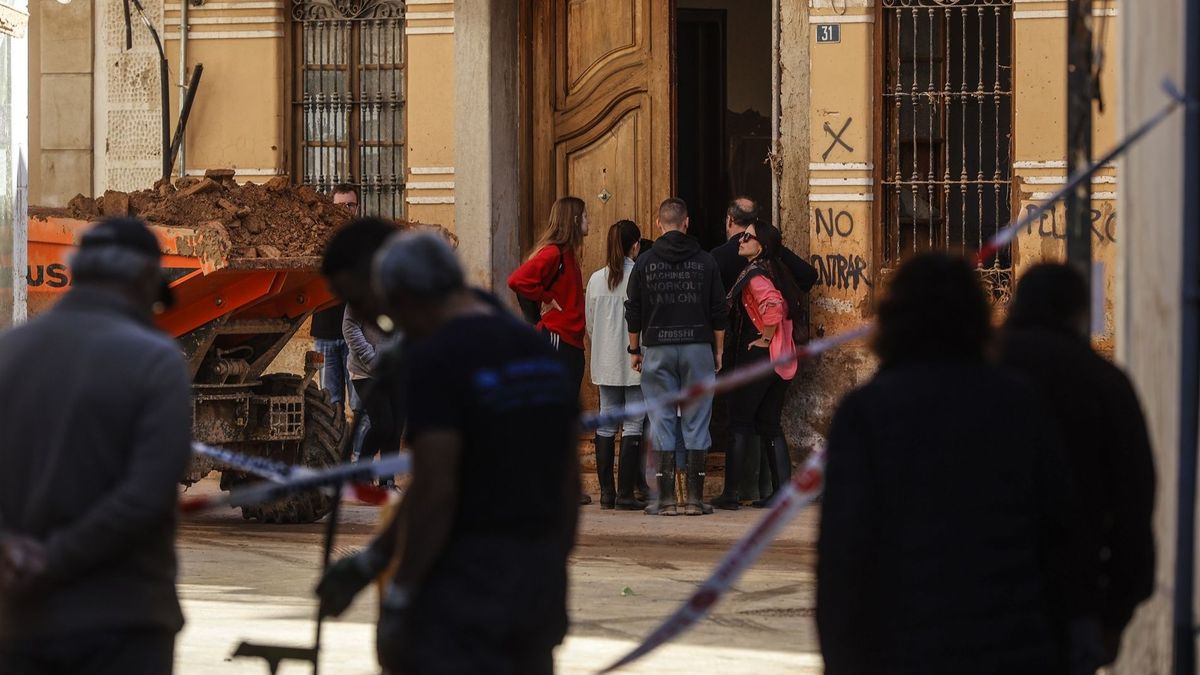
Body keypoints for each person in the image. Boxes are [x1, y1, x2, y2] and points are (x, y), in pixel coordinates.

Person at [816, 253, 1071, 675]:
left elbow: (844, 551)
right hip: (1008, 642)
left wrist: (842, 656)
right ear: (976, 317)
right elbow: (1059, 532)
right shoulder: (1018, 402)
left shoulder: (867, 411)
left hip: (901, 645)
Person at [376, 231, 578, 674]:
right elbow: (568, 480)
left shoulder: (439, 357)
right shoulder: (536, 350)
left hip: (470, 590)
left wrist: (402, 591)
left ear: (410, 300)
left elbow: (436, 485)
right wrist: (550, 571)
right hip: (537, 584)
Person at [0, 217, 192, 673]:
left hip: (21, 623)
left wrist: (9, 548)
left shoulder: (8, 353)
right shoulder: (156, 361)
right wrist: (55, 559)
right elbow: (146, 496)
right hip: (122, 623)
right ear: (146, 281)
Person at [998, 263, 1155, 674]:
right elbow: (1134, 504)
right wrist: (1116, 613)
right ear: (1079, 312)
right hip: (1067, 601)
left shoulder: (975, 372)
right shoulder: (1104, 383)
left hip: (972, 596)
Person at [711, 197, 817, 504]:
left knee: (740, 421)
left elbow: (774, 307)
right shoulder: (776, 269)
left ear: (761, 245)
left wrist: (765, 338)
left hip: (763, 354)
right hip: (783, 357)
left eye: (748, 237)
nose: (741, 240)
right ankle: (781, 493)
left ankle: (731, 493)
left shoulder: (756, 275)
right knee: (769, 423)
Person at [626, 197, 727, 516]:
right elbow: (718, 310)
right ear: (687, 223)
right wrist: (718, 349)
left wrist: (634, 348)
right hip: (698, 345)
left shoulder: (644, 261)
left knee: (661, 420)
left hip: (656, 346)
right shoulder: (706, 261)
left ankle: (667, 501)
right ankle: (695, 501)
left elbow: (634, 309)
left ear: (659, 223)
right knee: (697, 421)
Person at [508, 196, 591, 505]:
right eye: (585, 216)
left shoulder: (567, 254)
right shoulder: (554, 253)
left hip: (569, 341)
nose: (589, 221)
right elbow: (517, 280)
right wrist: (546, 298)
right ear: (573, 220)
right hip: (557, 338)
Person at [321, 217, 406, 482]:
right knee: (384, 425)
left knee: (395, 429)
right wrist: (372, 357)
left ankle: (387, 481)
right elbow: (350, 328)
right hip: (366, 372)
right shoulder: (362, 289)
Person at [586, 220, 647, 510]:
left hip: (605, 359)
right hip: (636, 358)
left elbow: (590, 323)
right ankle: (625, 493)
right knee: (634, 423)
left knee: (607, 421)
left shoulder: (596, 279)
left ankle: (606, 494)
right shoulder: (640, 276)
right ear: (635, 245)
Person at [311, 184, 367, 450]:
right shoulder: (316, 241)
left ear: (357, 208)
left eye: (350, 206)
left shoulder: (365, 242)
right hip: (324, 333)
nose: (345, 211)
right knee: (330, 404)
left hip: (357, 337)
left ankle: (357, 461)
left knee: (359, 404)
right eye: (339, 206)